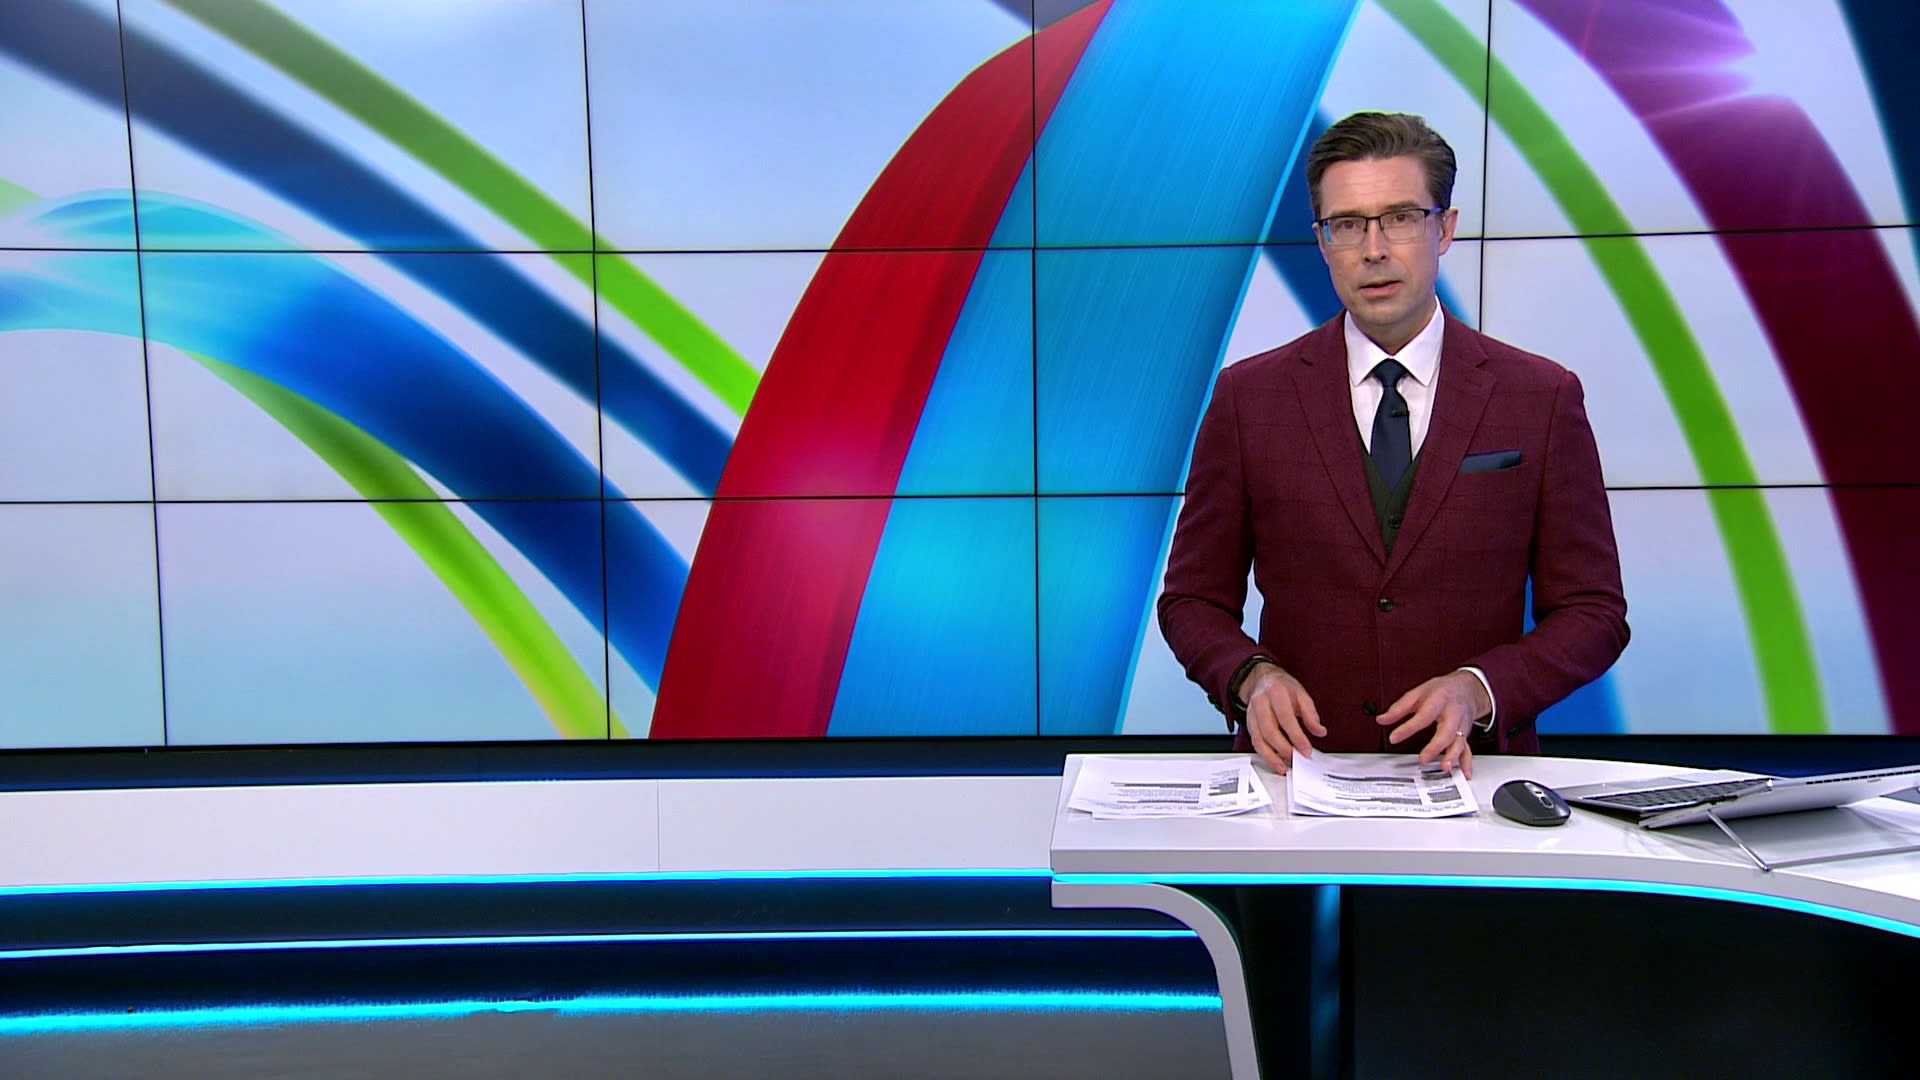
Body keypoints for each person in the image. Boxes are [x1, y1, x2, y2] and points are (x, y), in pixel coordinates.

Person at [1158, 111, 1629, 779]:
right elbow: (1192, 600)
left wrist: (1480, 689)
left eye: (1401, 218)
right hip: (1294, 782)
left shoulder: (1540, 398)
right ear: (1322, 242)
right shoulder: (1248, 399)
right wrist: (1250, 677)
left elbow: (1593, 612)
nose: (1373, 249)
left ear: (1446, 229)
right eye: (1347, 225)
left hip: (1475, 786)